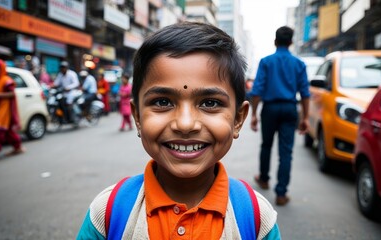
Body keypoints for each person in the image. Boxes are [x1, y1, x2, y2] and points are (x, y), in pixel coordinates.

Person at [77, 22, 281, 239]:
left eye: (210, 103)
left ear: (238, 119)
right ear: (137, 116)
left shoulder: (257, 217)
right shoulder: (107, 213)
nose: (185, 124)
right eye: (163, 101)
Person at [249, 26, 310, 206]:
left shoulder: (266, 62)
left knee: (266, 145)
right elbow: (305, 93)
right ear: (291, 42)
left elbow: (257, 90)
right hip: (290, 109)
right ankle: (281, 193)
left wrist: (254, 114)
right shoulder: (299, 64)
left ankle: (264, 179)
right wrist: (305, 117)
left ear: (275, 41)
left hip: (270, 109)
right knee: (286, 152)